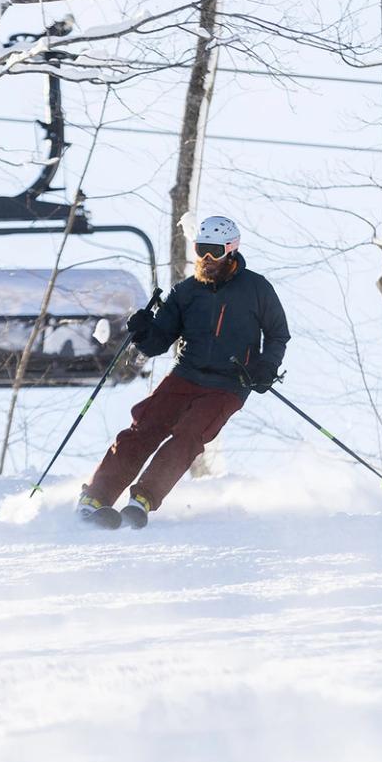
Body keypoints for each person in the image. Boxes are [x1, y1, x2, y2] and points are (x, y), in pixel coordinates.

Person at [77, 214, 289, 528]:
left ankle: (142, 500)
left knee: (189, 434)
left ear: (230, 251)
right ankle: (96, 497)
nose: (206, 258)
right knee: (145, 427)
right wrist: (142, 331)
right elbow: (157, 343)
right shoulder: (187, 291)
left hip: (229, 383)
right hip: (186, 375)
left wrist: (266, 367)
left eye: (213, 251)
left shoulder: (256, 289)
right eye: (200, 249)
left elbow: (277, 334)